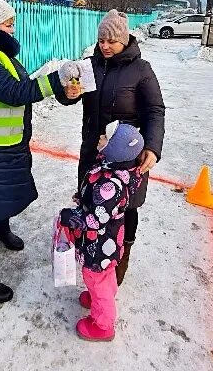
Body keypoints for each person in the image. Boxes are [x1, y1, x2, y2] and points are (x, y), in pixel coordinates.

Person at [0, 0, 79, 304]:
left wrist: (65, 92)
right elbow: (11, 92)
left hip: (6, 144)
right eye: (7, 24)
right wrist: (55, 82)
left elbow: (26, 84)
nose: (12, 29)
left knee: (2, 197)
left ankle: (1, 230)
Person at [58, 9, 165, 286]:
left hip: (125, 156)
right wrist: (68, 93)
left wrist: (152, 147)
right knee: (92, 203)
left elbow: (155, 110)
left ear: (124, 40)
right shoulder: (89, 65)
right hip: (93, 151)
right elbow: (70, 93)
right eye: (101, 40)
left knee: (124, 207)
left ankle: (121, 256)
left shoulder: (141, 70)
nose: (105, 46)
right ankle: (93, 257)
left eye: (111, 42)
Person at [60, 122, 145, 341]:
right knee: (103, 276)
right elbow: (99, 201)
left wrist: (71, 218)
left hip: (99, 243)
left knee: (95, 276)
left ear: (116, 149)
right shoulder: (110, 167)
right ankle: (100, 295)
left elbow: (97, 220)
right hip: (107, 242)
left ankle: (103, 324)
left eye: (106, 137)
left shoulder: (111, 184)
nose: (100, 137)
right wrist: (84, 198)